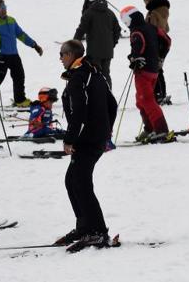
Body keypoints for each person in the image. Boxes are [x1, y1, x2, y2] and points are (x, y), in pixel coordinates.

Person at [54, 40, 117, 249]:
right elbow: (112, 105)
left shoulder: (80, 78)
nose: (60, 58)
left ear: (72, 55)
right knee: (72, 181)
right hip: (94, 137)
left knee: (80, 183)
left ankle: (97, 231)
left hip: (87, 140)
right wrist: (106, 130)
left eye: (62, 54)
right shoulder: (94, 73)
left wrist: (70, 140)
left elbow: (79, 115)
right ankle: (85, 227)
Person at [120, 6, 174, 143]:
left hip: (143, 71)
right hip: (154, 70)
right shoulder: (151, 27)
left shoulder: (136, 32)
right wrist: (161, 56)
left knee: (146, 100)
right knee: (141, 100)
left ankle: (161, 130)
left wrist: (136, 58)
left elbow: (139, 45)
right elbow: (167, 40)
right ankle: (150, 129)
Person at [0, 0, 43, 108]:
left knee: (19, 76)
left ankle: (20, 100)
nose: (4, 9)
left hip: (14, 55)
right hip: (1, 55)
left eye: (5, 7)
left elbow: (21, 34)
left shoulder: (11, 20)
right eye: (2, 7)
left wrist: (34, 45)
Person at [73, 0, 121, 87]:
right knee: (105, 73)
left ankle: (98, 97)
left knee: (95, 74)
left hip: (94, 52)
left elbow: (81, 29)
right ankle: (108, 97)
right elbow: (117, 30)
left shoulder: (88, 13)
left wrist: (74, 44)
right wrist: (112, 44)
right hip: (107, 51)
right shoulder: (110, 12)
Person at [143, 0, 172, 105]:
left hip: (155, 44)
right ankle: (161, 94)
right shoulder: (163, 10)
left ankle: (159, 95)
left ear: (149, 0)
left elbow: (150, 29)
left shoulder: (153, 13)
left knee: (155, 69)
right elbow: (167, 28)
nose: (144, 2)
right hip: (163, 42)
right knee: (159, 69)